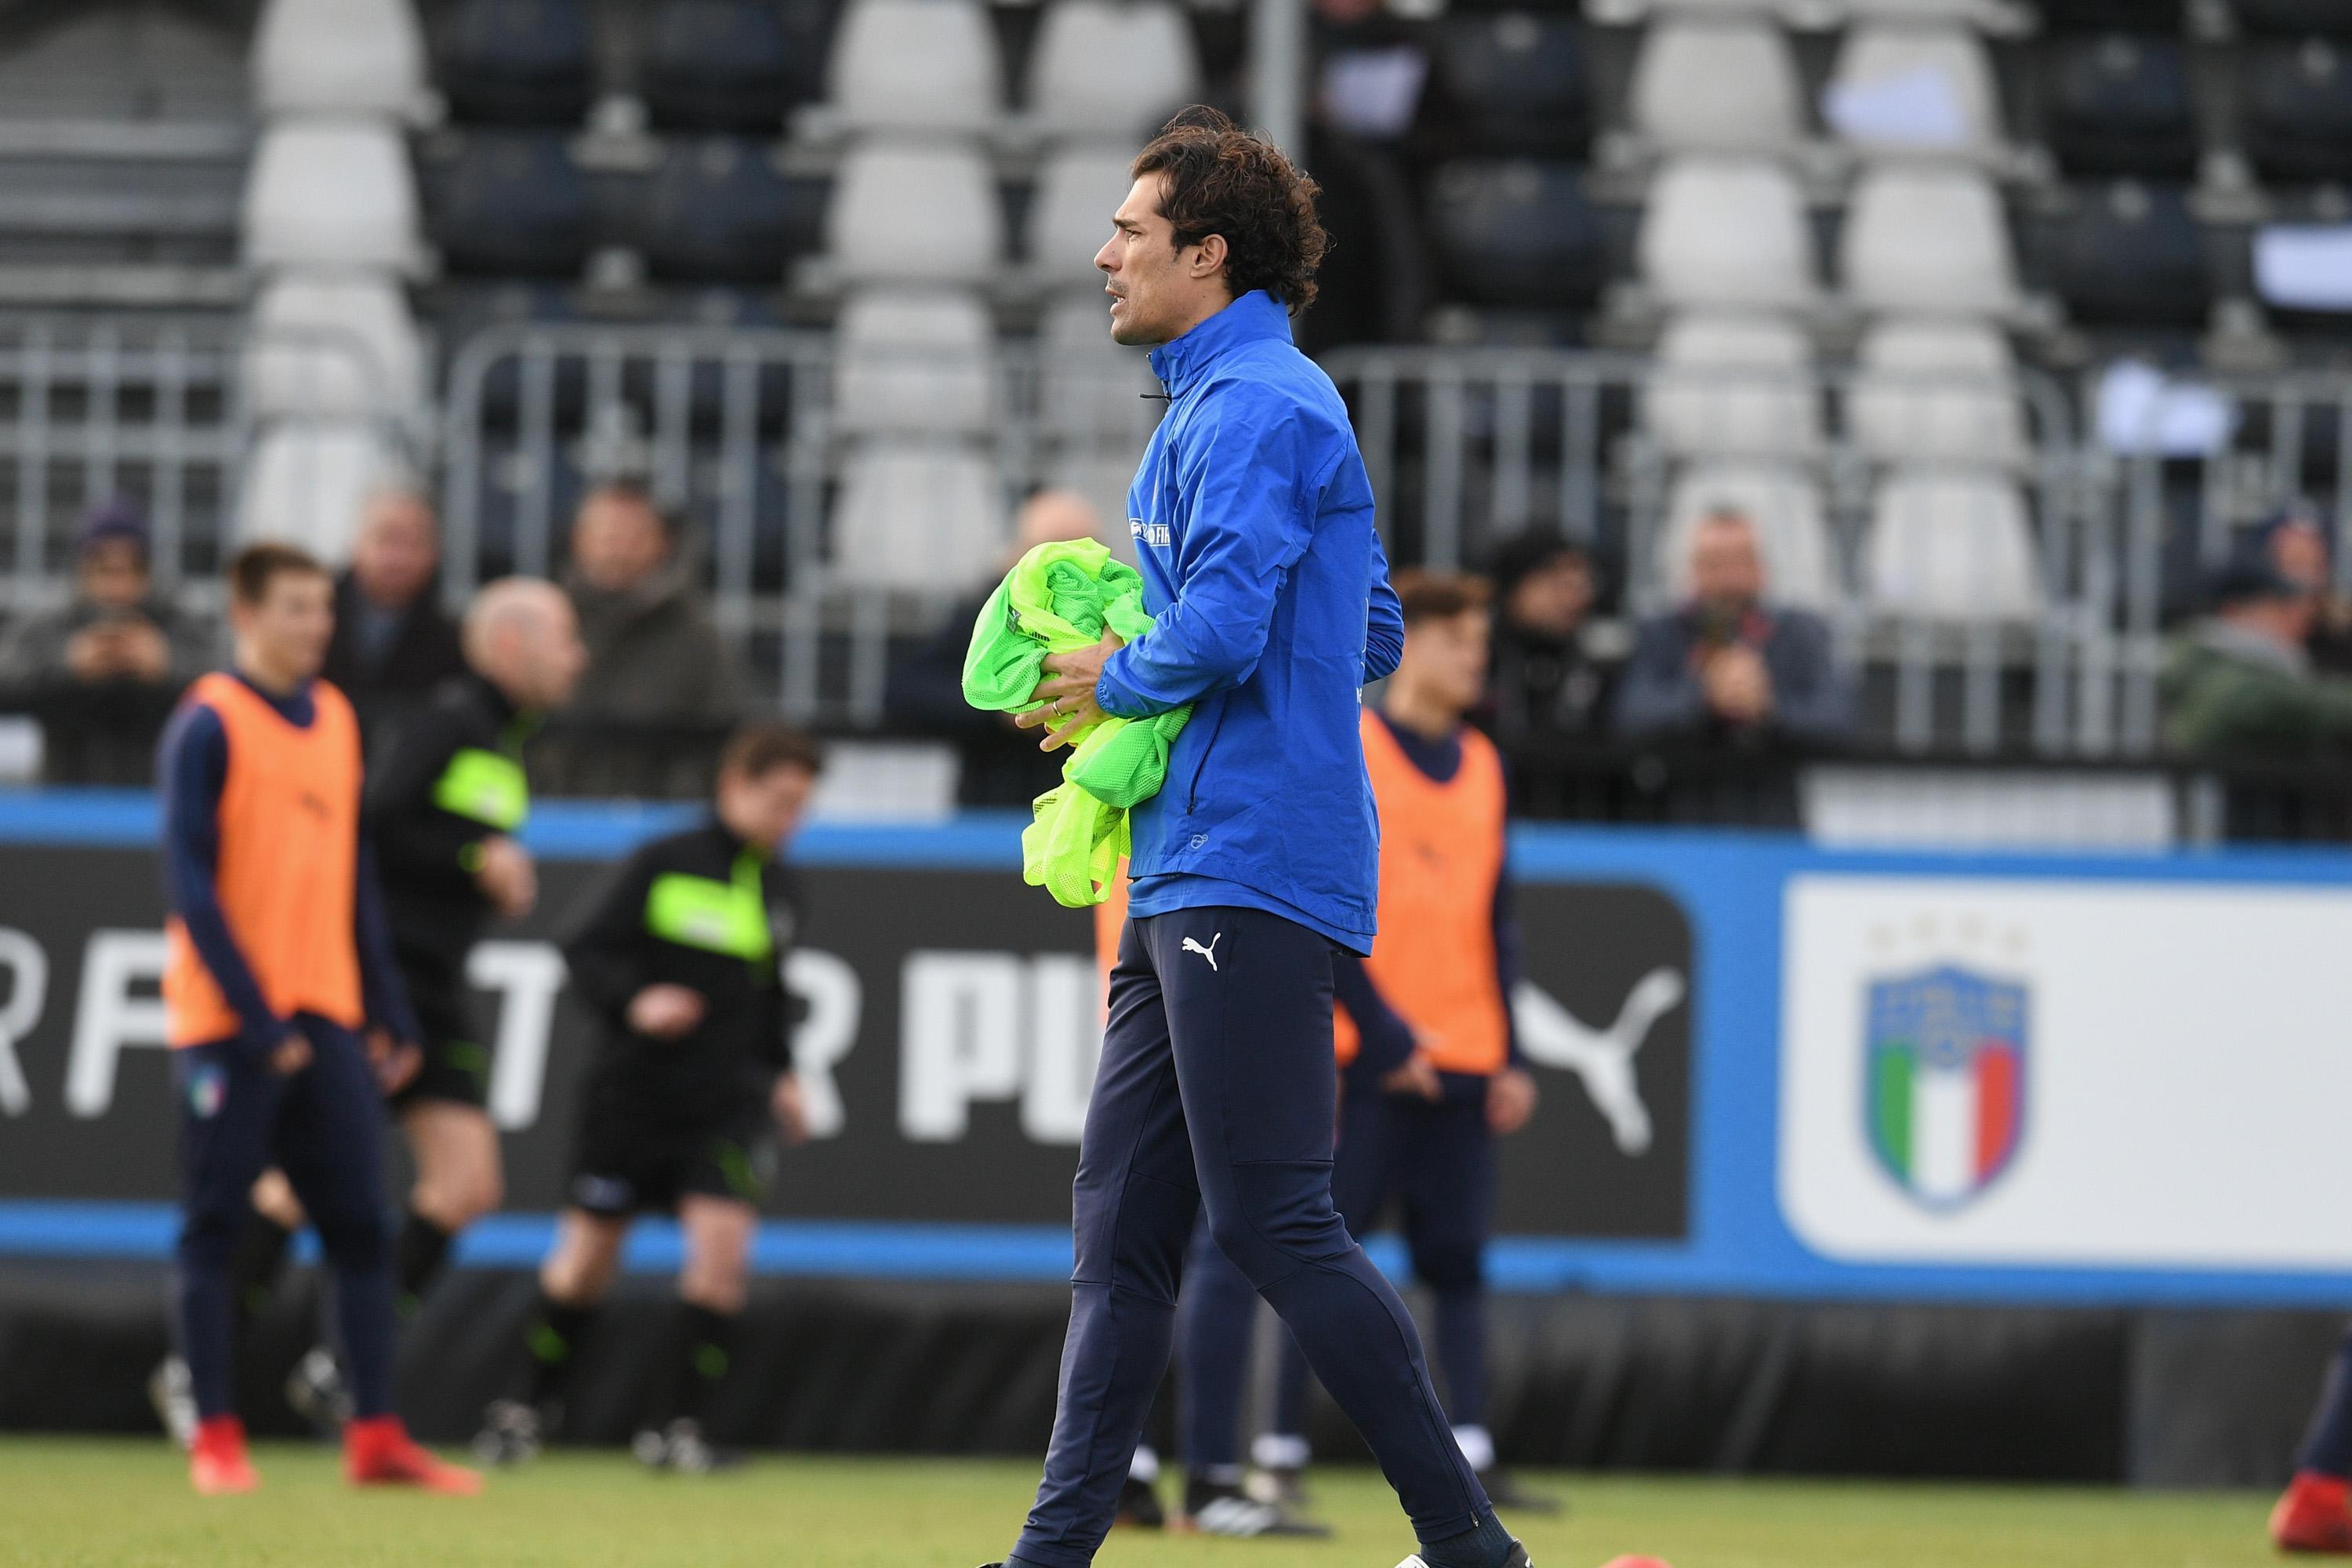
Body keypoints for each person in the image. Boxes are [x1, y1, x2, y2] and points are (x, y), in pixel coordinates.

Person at [980, 108, 1526, 1568]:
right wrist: (1209, 683)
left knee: (1277, 1222)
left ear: (1206, 256)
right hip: (1192, 856)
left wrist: (1124, 676)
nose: (1104, 255)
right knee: (1122, 1240)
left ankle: (1470, 1546)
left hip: (1247, 862)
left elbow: (1225, 624)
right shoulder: (1218, 408)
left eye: (1131, 233)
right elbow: (1372, 624)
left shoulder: (1264, 408)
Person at [1174, 572, 1553, 1529]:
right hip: (1365, 1053)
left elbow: (1496, 919)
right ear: (1412, 645)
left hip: (1464, 1048)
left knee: (1459, 1259)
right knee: (1317, 1244)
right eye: (1460, 640)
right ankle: (1279, 1447)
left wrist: (1508, 1046)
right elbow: (1319, 901)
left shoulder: (1485, 764)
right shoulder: (1356, 745)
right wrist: (1380, 1031)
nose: (1475, 658)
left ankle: (1473, 1448)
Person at [154, 542, 478, 1497]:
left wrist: (385, 1005)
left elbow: (351, 881)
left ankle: (376, 1433)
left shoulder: (335, 717)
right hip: (232, 1021)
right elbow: (189, 884)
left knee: (360, 1229)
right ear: (244, 612)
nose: (315, 626)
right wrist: (254, 1016)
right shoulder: (208, 723)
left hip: (327, 1011)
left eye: (321, 609)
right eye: (295, 608)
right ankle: (214, 1433)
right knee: (214, 1228)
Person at [269, 579, 587, 1428]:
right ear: (511, 646)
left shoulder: (503, 738)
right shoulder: (451, 718)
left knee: (469, 1183)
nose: (579, 656)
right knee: (305, 1173)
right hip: (387, 973)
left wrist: (482, 862)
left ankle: (340, 1360)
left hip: (435, 981)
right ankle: (200, 1360)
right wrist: (473, 856)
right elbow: (376, 823)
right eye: (564, 637)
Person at [472, 721, 819, 1474]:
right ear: (735, 785)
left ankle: (678, 1429)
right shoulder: (664, 860)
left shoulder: (781, 889)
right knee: (589, 1257)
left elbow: (767, 998)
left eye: (802, 807)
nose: (789, 821)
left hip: (727, 1101)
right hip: (636, 1094)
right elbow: (583, 945)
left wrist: (785, 1076)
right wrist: (637, 1002)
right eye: (780, 801)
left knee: (722, 1254)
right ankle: (526, 1408)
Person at [888, 488, 1106, 807]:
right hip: (995, 807)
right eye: (1051, 548)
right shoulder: (988, 612)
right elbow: (907, 693)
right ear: (1018, 553)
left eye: (1079, 548)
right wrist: (1002, 707)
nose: (1064, 563)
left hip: (1089, 802)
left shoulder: (1117, 616)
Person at [0, 499, 208, 782]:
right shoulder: (51, 627)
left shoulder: (176, 625)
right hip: (66, 805)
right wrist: (67, 665)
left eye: (130, 570)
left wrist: (166, 667)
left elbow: (230, 692)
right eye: (105, 570)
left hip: (153, 804)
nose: (117, 587)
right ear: (83, 571)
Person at [1613, 506, 1851, 747]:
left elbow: (1837, 718)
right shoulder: (1662, 632)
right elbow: (1630, 715)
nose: (1729, 579)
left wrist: (1770, 705)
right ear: (1696, 570)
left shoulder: (1799, 632)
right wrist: (1704, 697)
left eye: (1740, 562)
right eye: (1716, 564)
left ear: (1761, 568)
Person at [2161, 547, 2352, 760]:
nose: (2291, 617)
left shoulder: (2224, 662)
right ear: (2234, 611)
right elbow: (2296, 705)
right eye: (2276, 607)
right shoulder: (2216, 671)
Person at [320, 487, 466, 751]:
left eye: (414, 543)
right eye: (386, 539)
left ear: (435, 552)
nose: (398, 558)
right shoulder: (312, 619)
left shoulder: (453, 640)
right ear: (356, 542)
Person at [1484, 530, 1611, 746]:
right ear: (1518, 586)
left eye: (1582, 586)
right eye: (1560, 585)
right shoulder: (1481, 658)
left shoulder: (1595, 666)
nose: (1577, 599)